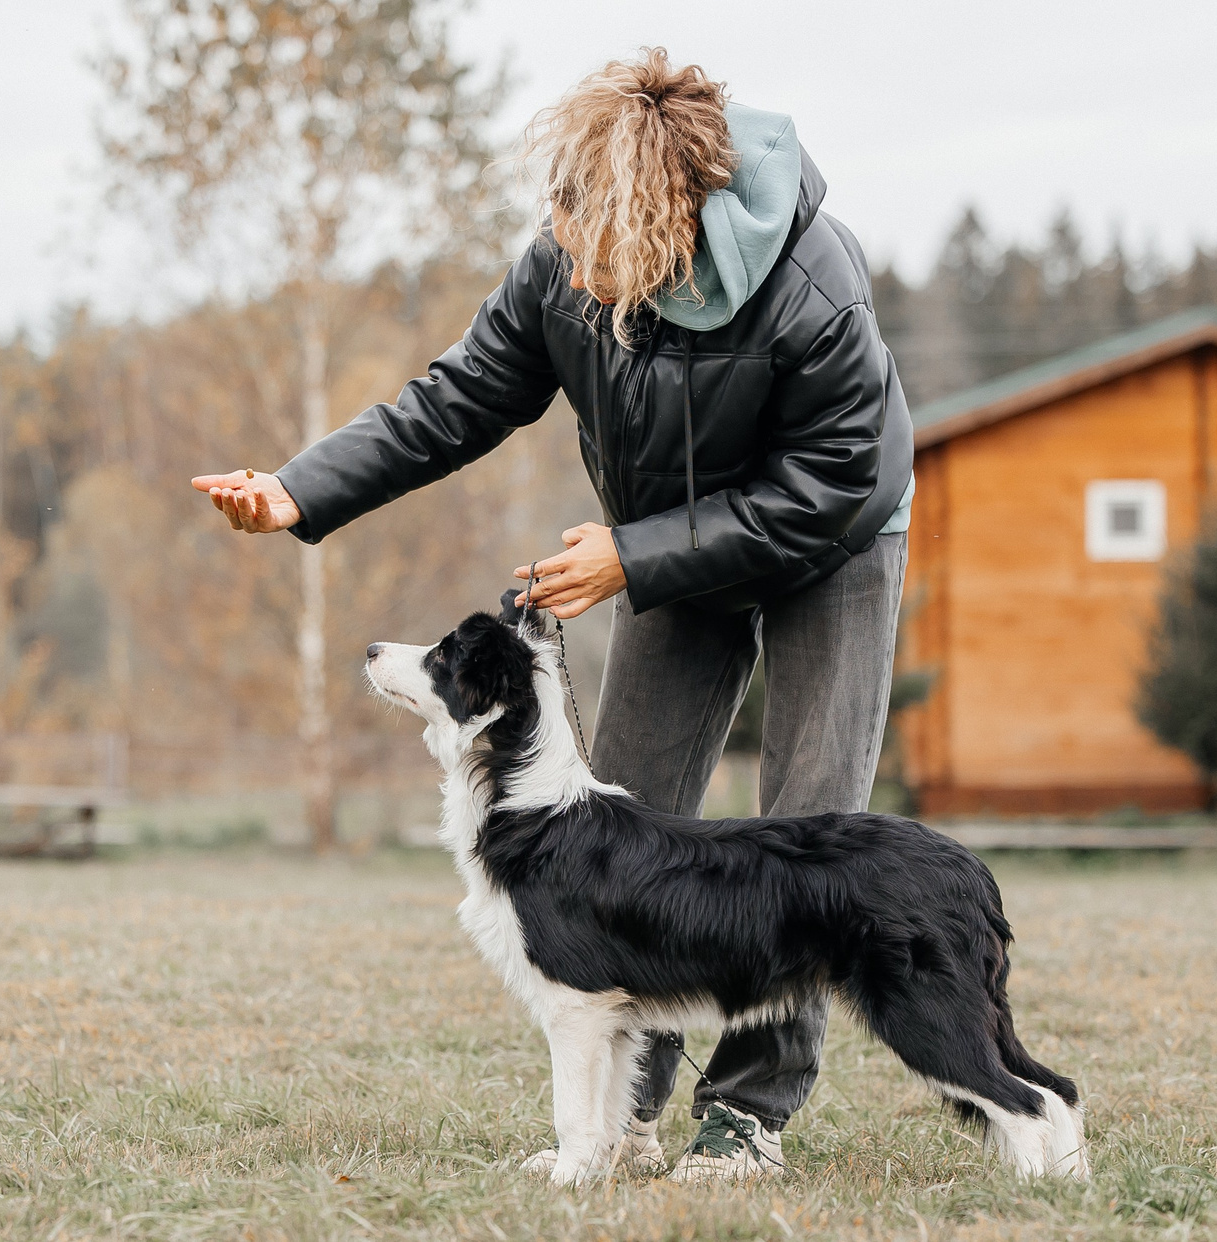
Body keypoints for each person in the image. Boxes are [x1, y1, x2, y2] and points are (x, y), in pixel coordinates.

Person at [192, 47, 914, 1182]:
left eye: (584, 217)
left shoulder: (810, 285)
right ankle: (622, 1119)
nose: (560, 238)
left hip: (829, 545)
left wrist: (629, 554)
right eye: (558, 212)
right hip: (658, 559)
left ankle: (746, 1116)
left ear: (658, 213)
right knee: (621, 818)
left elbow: (830, 484)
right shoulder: (560, 269)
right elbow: (456, 399)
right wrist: (299, 488)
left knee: (806, 836)